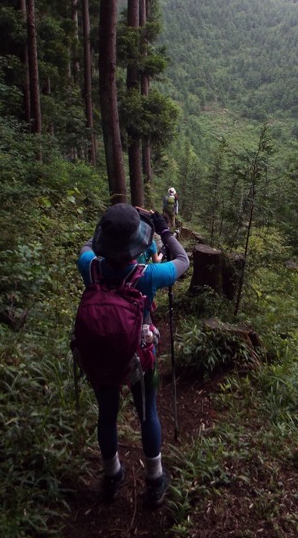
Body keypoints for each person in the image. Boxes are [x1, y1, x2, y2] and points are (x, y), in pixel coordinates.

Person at [77, 203, 189, 507]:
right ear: (137, 244)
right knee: (147, 413)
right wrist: (161, 226)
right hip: (139, 358)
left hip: (101, 355)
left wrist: (107, 224)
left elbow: (87, 246)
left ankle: (112, 474)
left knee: (107, 415)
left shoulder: (90, 267)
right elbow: (182, 260)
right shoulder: (148, 275)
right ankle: (154, 480)